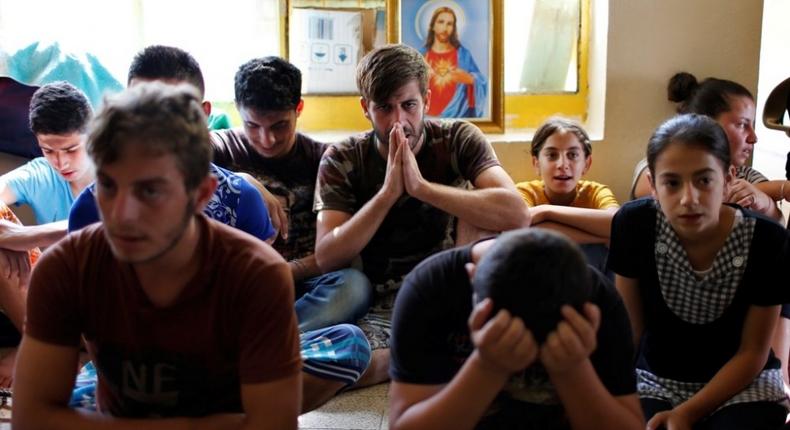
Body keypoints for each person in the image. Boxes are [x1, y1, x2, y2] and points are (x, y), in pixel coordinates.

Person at [68, 46, 371, 413]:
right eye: (140, 110)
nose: (155, 129)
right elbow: (89, 332)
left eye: (173, 111)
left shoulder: (241, 195)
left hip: (235, 340)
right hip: (138, 370)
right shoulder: (86, 219)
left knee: (350, 340)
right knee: (76, 398)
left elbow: (256, 298)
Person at [12, 82, 302, 429]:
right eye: (108, 185)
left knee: (346, 345)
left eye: (149, 190)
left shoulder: (257, 274)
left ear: (201, 194)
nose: (122, 213)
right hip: (120, 410)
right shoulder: (64, 269)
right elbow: (30, 418)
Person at [314, 44, 529, 385]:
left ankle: (444, 344)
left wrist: (423, 188)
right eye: (384, 108)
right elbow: (326, 257)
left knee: (479, 210)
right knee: (356, 365)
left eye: (409, 105)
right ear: (365, 109)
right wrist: (387, 195)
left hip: (454, 286)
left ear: (427, 101)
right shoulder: (343, 157)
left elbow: (518, 214)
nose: (399, 120)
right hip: (384, 297)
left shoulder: (458, 138)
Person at [610, 114, 790, 429]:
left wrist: (687, 414)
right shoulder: (633, 225)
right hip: (655, 379)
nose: (688, 198)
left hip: (744, 385)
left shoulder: (767, 239)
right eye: (672, 182)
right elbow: (629, 332)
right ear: (653, 184)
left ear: (729, 179)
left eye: (704, 180)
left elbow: (753, 352)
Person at [388, 228, 644, 430]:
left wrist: (573, 368)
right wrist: (487, 367)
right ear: (472, 278)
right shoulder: (431, 288)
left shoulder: (596, 299)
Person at [211, 56, 371, 334]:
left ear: (299, 109)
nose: (266, 139)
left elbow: (342, 252)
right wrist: (242, 179)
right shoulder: (222, 147)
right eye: (253, 126)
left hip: (303, 284)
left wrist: (289, 270)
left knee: (355, 286)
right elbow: (169, 159)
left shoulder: (326, 160)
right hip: (237, 285)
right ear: (238, 111)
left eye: (279, 126)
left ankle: (269, 341)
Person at [68, 45, 275, 243]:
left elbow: (258, 275)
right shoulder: (90, 210)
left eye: (174, 110)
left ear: (203, 115)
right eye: (141, 109)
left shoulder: (240, 200)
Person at [631, 73, 781, 222]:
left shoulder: (747, 175)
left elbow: (777, 222)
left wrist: (765, 203)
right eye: (742, 125)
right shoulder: (658, 165)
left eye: (752, 126)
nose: (753, 138)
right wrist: (781, 188)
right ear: (707, 123)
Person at [515, 117, 619, 273]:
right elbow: (523, 228)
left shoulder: (596, 192)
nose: (562, 165)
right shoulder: (524, 192)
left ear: (586, 164)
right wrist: (601, 237)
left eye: (573, 155)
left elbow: (617, 224)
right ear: (536, 164)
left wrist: (546, 212)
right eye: (551, 155)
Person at [420, 6, 487, 118]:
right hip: (426, 119)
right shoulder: (421, 56)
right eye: (441, 22)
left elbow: (482, 82)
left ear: (453, 28)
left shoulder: (463, 55)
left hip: (458, 116)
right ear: (433, 25)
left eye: (449, 24)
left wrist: (470, 79)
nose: (445, 28)